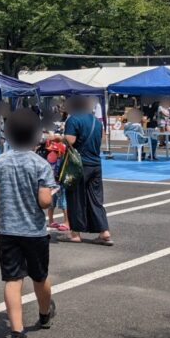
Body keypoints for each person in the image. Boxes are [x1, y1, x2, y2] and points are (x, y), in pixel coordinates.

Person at [0, 109, 57, 338]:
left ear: (8, 135)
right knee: (40, 277)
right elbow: (45, 201)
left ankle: (16, 331)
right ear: (35, 135)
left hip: (7, 230)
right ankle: (45, 313)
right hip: (34, 231)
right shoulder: (40, 165)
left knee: (12, 280)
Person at [61, 95, 112, 245]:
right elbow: (100, 139)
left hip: (79, 165)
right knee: (95, 199)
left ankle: (75, 233)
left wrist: (57, 138)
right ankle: (104, 231)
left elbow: (70, 140)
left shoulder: (73, 120)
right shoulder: (96, 122)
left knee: (75, 198)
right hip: (96, 164)